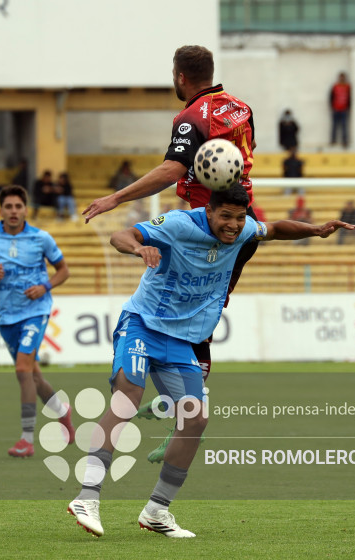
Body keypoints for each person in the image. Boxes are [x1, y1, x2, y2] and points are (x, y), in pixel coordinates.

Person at [67, 185, 354, 539]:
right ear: (209, 211)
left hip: (180, 341)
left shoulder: (246, 227)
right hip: (141, 323)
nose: (234, 225)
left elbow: (276, 229)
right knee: (127, 397)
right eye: (226, 216)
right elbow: (120, 234)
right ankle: (87, 497)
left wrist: (316, 229)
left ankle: (157, 510)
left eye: (239, 217)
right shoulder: (177, 223)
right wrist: (139, 248)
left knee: (196, 419)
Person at [82, 45, 260, 461]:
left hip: (205, 225)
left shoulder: (190, 117)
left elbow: (173, 170)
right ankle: (179, 407)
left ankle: (177, 409)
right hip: (241, 225)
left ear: (180, 76)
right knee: (206, 310)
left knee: (176, 306)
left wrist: (116, 198)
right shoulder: (241, 108)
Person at [0, 184, 75, 458]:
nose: (14, 211)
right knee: (33, 375)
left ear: (25, 209)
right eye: (9, 207)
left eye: (18, 206)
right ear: (1, 211)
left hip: (35, 311)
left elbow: (63, 271)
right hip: (6, 316)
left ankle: (26, 440)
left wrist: (45, 286)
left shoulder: (41, 238)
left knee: (21, 369)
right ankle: (63, 412)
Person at [330, 72, 351, 148]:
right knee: (334, 126)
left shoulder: (347, 86)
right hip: (336, 109)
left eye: (343, 77)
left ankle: (344, 141)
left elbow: (350, 97)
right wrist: (332, 106)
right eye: (341, 77)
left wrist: (348, 107)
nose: (342, 79)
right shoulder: (335, 86)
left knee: (344, 126)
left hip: (344, 109)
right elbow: (331, 96)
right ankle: (333, 140)